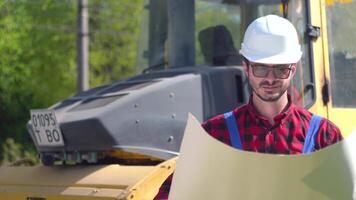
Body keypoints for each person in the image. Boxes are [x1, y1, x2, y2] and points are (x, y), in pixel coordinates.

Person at [154, 14, 343, 200]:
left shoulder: (323, 135)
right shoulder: (214, 135)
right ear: (246, 66)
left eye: (280, 69)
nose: (270, 78)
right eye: (260, 68)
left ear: (293, 68)